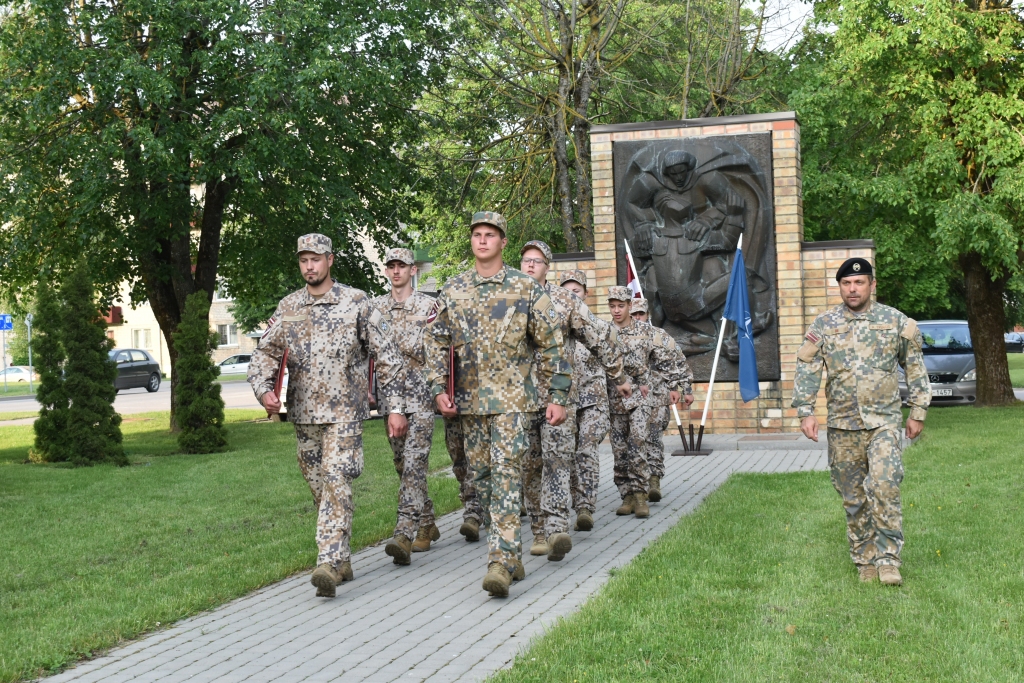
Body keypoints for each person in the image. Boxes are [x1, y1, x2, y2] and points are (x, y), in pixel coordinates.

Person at [248, 234, 409, 598]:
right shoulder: (288, 306)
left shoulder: (356, 303)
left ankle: (329, 563)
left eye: (316, 259)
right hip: (304, 416)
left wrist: (395, 407)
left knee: (337, 480)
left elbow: (387, 358)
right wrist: (264, 391)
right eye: (304, 260)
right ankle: (342, 556)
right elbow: (264, 355)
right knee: (321, 490)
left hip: (345, 416)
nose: (309, 266)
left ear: (330, 260)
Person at [423, 212, 571, 597]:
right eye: (477, 234)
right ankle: (513, 554)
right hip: (470, 405)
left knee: (507, 477)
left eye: (490, 235)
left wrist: (557, 395)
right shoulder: (453, 291)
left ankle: (500, 564)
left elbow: (551, 344)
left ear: (503, 242)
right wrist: (439, 387)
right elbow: (437, 342)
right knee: (485, 484)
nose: (483, 240)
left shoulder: (525, 289)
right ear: (471, 241)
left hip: (513, 404)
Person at [792, 257, 930, 587]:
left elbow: (914, 367)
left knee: (884, 486)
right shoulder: (824, 325)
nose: (852, 289)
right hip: (842, 426)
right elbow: (808, 369)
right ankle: (864, 559)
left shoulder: (895, 321)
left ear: (872, 285)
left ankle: (888, 560)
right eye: (846, 284)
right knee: (853, 497)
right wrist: (805, 411)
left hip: (883, 422)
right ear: (839, 287)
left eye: (859, 283)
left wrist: (918, 412)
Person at [519, 241, 630, 561]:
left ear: (547, 266)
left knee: (557, 461)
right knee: (530, 465)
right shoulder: (508, 299)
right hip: (521, 400)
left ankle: (556, 528)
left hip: (559, 398)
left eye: (537, 261)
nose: (530, 266)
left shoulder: (565, 301)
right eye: (525, 260)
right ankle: (538, 528)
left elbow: (596, 337)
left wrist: (619, 377)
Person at [370, 248, 440, 564]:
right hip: (390, 399)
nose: (397, 271)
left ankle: (404, 534)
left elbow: (442, 349)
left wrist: (444, 389)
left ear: (413, 270)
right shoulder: (376, 308)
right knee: (401, 463)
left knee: (415, 463)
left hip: (422, 396)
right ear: (387, 271)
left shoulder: (428, 306)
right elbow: (369, 355)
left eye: (402, 266)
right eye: (392, 266)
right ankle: (427, 521)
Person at [606, 287, 683, 518]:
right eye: (612, 306)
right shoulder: (604, 332)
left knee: (637, 444)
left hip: (640, 398)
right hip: (614, 399)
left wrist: (674, 385)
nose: (617, 310)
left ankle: (640, 495)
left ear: (630, 306)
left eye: (621, 305)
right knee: (619, 450)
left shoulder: (646, 332)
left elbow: (666, 358)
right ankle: (626, 495)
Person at [558, 271, 610, 531]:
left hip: (593, 400)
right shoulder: (555, 329)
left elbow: (614, 357)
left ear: (585, 293)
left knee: (586, 450)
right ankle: (575, 501)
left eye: (576, 291)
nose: (571, 295)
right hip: (565, 402)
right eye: (566, 291)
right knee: (566, 454)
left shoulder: (598, 326)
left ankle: (585, 507)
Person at [630, 297, 693, 501]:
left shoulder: (659, 336)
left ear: (647, 315)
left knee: (654, 437)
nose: (637, 318)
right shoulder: (621, 336)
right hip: (632, 398)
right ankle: (637, 483)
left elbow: (678, 361)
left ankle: (654, 479)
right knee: (636, 439)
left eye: (640, 314)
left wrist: (685, 388)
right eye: (634, 314)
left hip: (658, 395)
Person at [443, 417, 485, 541]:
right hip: (452, 408)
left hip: (476, 407)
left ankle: (473, 514)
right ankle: (472, 503)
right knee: (459, 462)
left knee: (475, 457)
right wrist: (439, 396)